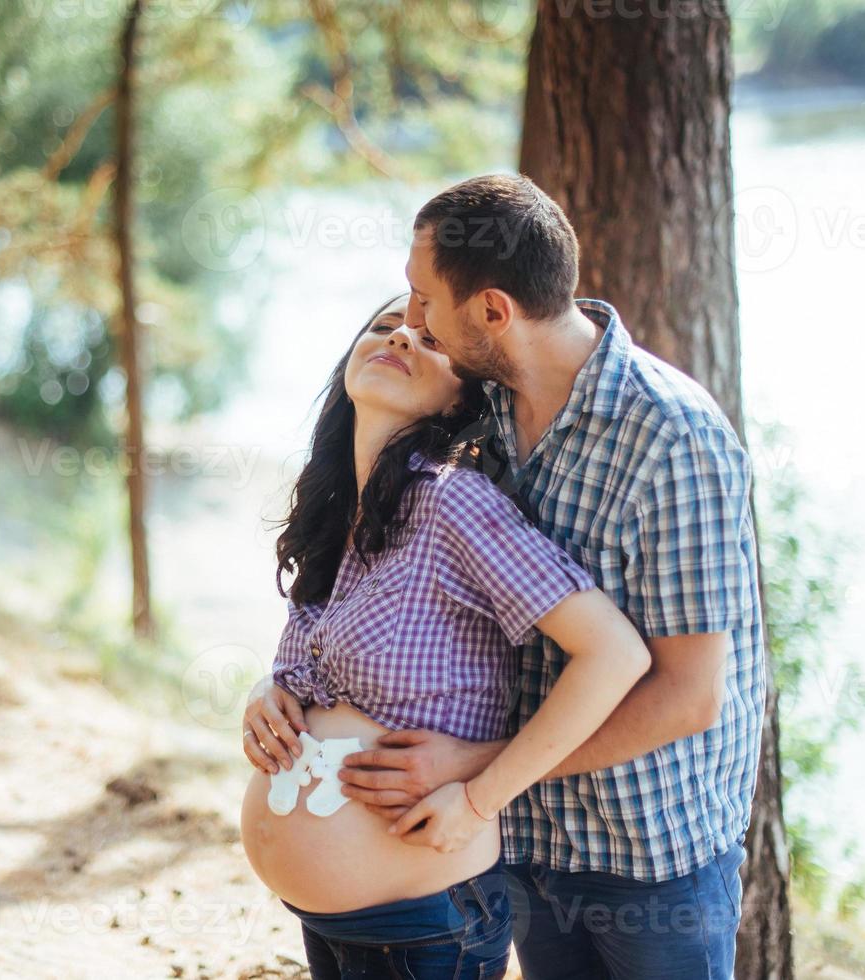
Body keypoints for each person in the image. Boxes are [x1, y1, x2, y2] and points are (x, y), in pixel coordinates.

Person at [335, 173, 767, 979]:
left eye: (423, 299)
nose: (412, 320)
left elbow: (688, 695)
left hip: (648, 856)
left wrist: (476, 774)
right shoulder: (475, 414)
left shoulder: (672, 438)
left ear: (492, 310)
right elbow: (390, 585)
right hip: (524, 838)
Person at [239, 294, 652, 979]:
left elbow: (614, 653)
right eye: (382, 327)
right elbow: (329, 666)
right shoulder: (335, 507)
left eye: (428, 340)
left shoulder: (451, 499)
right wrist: (268, 694)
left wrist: (479, 796)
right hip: (330, 918)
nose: (400, 336)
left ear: (458, 403)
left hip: (423, 927)